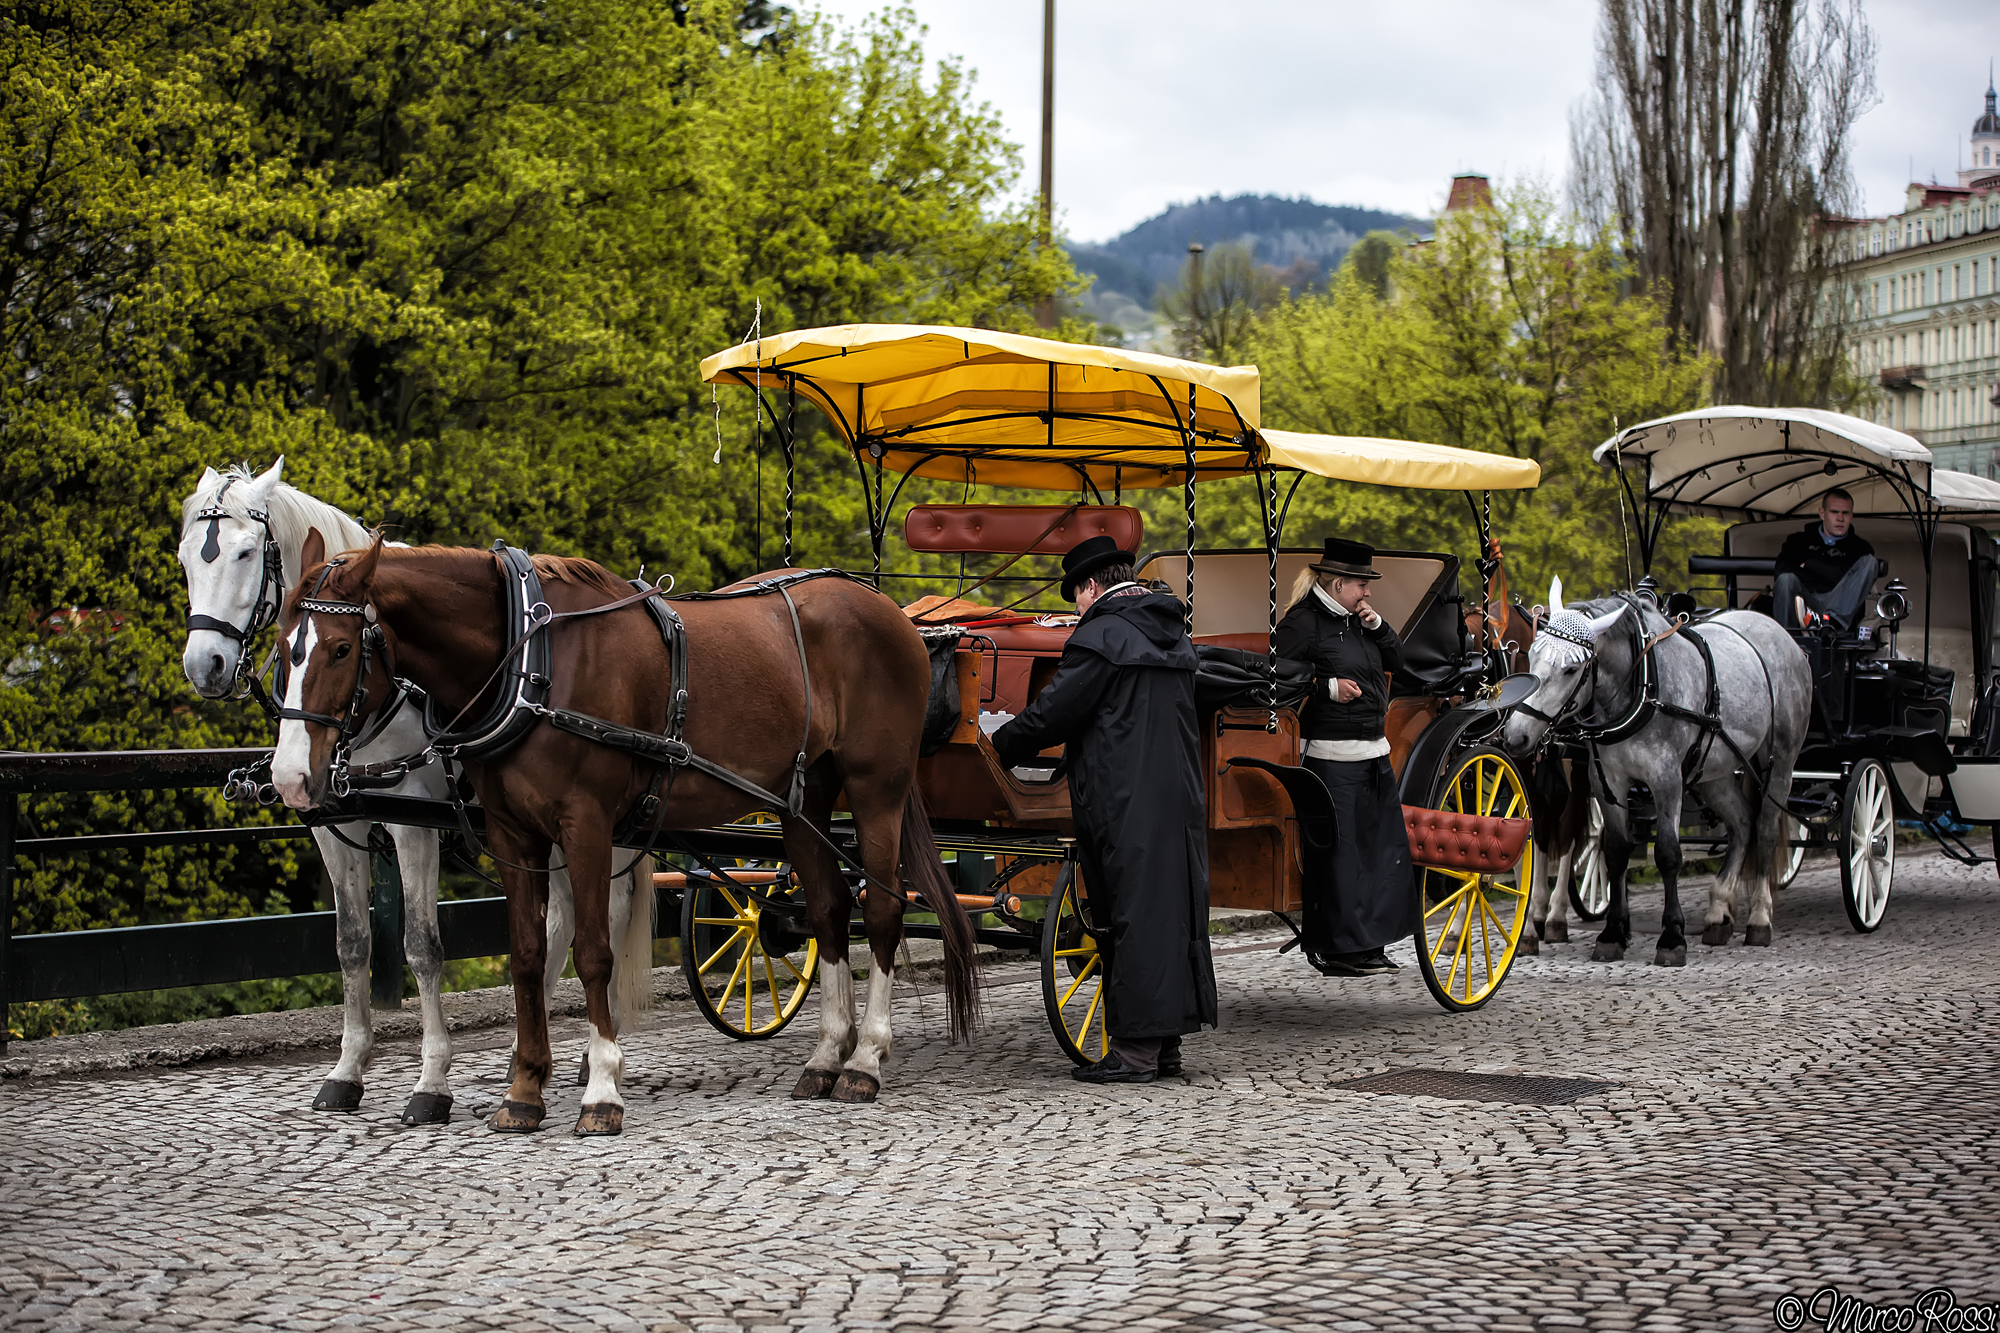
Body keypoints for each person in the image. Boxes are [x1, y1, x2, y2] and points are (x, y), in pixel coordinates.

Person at [991, 535, 1217, 1084]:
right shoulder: (1169, 629)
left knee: (1130, 917)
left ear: (1092, 586)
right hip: (1177, 795)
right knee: (1170, 912)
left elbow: (1053, 715)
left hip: (1123, 798)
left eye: (1076, 597)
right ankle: (1164, 1048)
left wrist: (993, 748)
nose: (1076, 608)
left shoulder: (1102, 634)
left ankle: (1136, 1054)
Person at [1272, 537, 1415, 978]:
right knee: (1344, 856)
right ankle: (1340, 948)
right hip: (1330, 758)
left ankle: (1371, 944)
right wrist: (1325, 689)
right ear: (1337, 584)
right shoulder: (1301, 623)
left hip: (1373, 752)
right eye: (1362, 584)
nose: (1367, 592)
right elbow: (1275, 679)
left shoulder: (1358, 622)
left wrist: (1380, 627)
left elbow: (1399, 662)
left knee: (1381, 852)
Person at [1771, 490, 1880, 630]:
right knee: (1785, 580)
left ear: (1851, 516)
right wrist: (1834, 572)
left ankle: (1831, 624)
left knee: (1870, 562)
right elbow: (1781, 572)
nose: (1840, 518)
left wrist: (1809, 565)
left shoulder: (1861, 549)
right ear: (1822, 513)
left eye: (1845, 513)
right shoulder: (1797, 541)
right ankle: (1787, 638)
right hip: (1804, 600)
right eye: (1834, 512)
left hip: (1838, 604)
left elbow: (1848, 584)